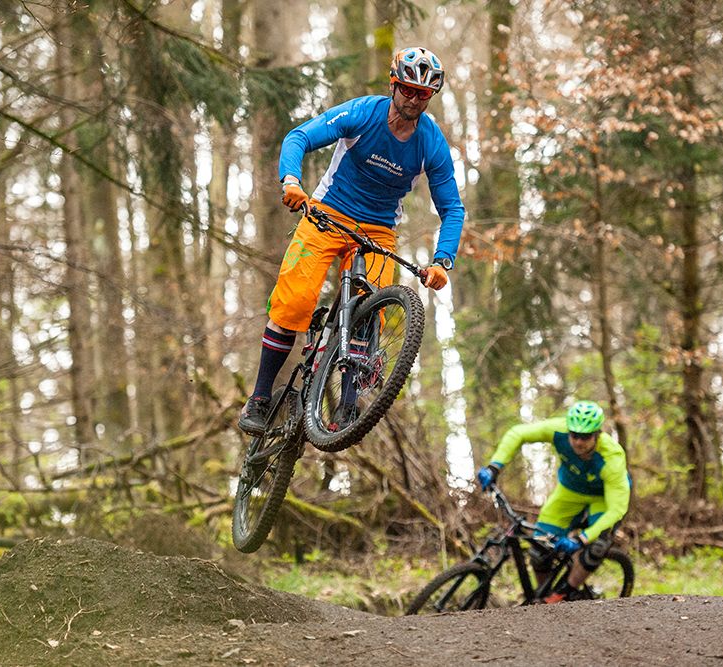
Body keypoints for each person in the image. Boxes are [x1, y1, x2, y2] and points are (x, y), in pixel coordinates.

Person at [238, 46, 466, 436]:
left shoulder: (431, 142)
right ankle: (259, 398)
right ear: (393, 84)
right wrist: (291, 181)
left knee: (367, 312)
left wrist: (442, 261)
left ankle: (346, 407)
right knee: (295, 300)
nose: (414, 99)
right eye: (408, 89)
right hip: (327, 214)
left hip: (377, 231)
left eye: (423, 94)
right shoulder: (363, 112)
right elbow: (298, 137)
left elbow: (452, 208)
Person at [477, 401, 631, 604]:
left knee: (596, 545)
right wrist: (494, 467)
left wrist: (581, 540)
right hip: (570, 492)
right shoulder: (558, 430)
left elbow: (617, 509)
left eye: (585, 437)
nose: (578, 442)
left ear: (597, 434)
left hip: (603, 499)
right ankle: (544, 596)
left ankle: (566, 592)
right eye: (574, 435)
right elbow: (518, 433)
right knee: (539, 545)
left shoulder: (612, 457)